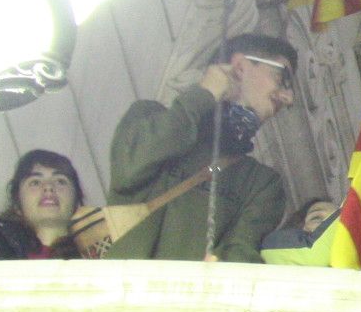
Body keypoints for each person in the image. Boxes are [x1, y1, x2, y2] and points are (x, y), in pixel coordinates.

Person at [105, 32, 296, 264]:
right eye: (282, 77)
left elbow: (239, 255)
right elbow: (128, 170)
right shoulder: (148, 117)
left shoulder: (261, 183)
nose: (288, 97)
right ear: (239, 67)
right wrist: (203, 94)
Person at [0, 149, 88, 261]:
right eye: (35, 182)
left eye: (60, 181)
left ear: (76, 200)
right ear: (17, 203)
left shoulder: (92, 253)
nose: (49, 187)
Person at [261, 197, 340, 252]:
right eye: (316, 218)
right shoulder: (276, 244)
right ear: (300, 226)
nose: (329, 223)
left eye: (338, 220)